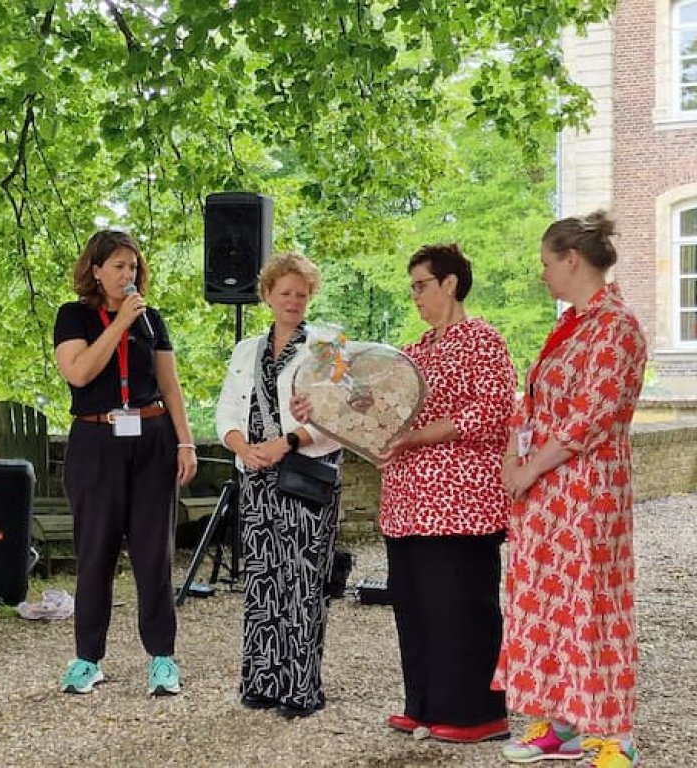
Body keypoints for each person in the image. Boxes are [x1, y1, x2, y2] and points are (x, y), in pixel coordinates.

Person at [496, 212, 646, 768]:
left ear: (571, 260)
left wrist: (529, 468)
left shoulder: (617, 326)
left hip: (587, 493)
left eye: (545, 264)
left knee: (594, 605)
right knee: (545, 607)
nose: (542, 275)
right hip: (545, 495)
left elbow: (590, 419)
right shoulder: (571, 326)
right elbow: (531, 404)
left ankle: (612, 733)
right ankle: (558, 724)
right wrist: (515, 459)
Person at [367, 244, 517, 742]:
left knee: (460, 606)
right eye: (411, 287)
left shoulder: (483, 340)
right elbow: (381, 414)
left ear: (449, 284)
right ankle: (425, 705)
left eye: (421, 285)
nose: (414, 296)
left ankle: (478, 713)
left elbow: (492, 413)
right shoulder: (411, 353)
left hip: (461, 502)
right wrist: (325, 404)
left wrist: (417, 436)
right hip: (408, 503)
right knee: (414, 603)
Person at [53, 229, 197, 696]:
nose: (126, 275)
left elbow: (170, 385)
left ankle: (162, 658)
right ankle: (87, 659)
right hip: (96, 440)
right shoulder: (73, 316)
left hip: (151, 437)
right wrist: (118, 324)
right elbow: (79, 372)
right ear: (96, 269)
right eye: (117, 266)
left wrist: (185, 442)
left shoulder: (151, 319)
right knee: (95, 552)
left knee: (154, 554)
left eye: (132, 267)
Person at [215, 251, 342, 719]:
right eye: (285, 293)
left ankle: (301, 689)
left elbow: (343, 414)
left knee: (303, 583)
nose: (293, 301)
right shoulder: (246, 350)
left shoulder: (328, 345)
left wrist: (287, 441)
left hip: (305, 474)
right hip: (258, 478)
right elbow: (227, 411)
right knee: (263, 580)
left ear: (311, 297)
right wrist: (244, 448)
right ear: (267, 295)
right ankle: (262, 681)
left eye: (302, 294)